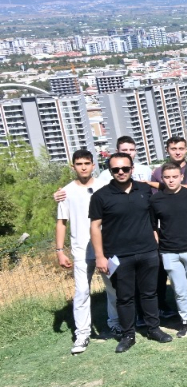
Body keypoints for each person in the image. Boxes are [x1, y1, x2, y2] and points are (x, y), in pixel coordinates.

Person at [89, 152, 169, 353]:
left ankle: (154, 329)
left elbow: (152, 218)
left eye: (125, 168)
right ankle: (128, 335)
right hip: (119, 255)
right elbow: (95, 227)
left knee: (150, 293)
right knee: (124, 297)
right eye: (116, 169)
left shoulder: (144, 189)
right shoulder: (101, 196)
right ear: (110, 171)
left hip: (148, 251)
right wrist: (100, 256)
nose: (121, 172)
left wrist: (156, 240)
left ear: (132, 168)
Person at [55, 149, 113, 354]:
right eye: (79, 164)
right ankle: (82, 334)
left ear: (93, 165)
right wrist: (60, 250)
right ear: (73, 166)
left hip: (105, 248)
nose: (83, 167)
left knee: (112, 288)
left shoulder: (103, 187)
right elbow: (61, 222)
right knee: (81, 292)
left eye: (87, 163)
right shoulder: (66, 192)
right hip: (80, 251)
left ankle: (114, 325)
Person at [150, 161, 187, 336]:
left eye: (174, 177)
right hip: (169, 251)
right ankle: (186, 320)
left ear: (181, 177)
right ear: (162, 178)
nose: (171, 181)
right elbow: (153, 226)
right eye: (167, 177)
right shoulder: (156, 199)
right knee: (179, 289)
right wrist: (160, 246)